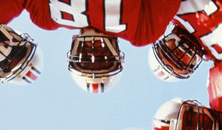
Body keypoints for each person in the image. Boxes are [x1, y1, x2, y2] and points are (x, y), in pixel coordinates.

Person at [23, 0, 181, 93]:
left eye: (86, 61)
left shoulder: (45, 17)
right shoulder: (142, 32)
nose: (93, 53)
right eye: (101, 60)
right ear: (117, 55)